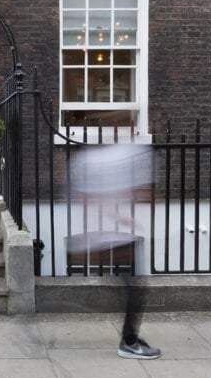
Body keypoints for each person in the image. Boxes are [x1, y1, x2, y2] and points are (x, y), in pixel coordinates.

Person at [69, 143, 161, 360]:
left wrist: (120, 217)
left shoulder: (96, 158)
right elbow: (85, 198)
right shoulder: (104, 158)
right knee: (136, 287)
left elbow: (87, 197)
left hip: (111, 236)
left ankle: (130, 340)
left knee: (134, 286)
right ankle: (129, 342)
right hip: (104, 239)